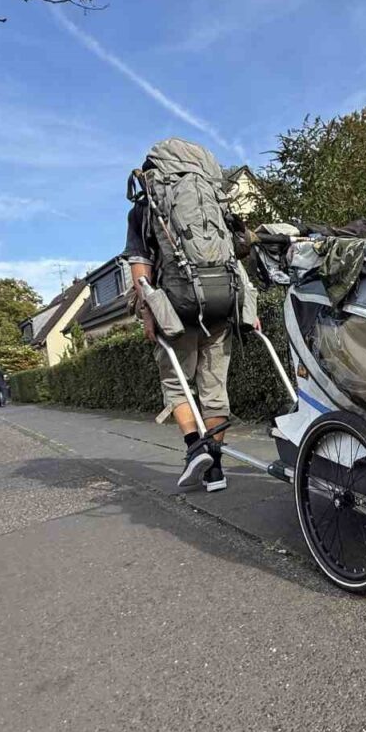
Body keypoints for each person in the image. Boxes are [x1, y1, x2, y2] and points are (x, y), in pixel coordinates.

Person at [124, 170, 253, 493]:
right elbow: (238, 251)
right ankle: (216, 469)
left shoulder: (148, 205)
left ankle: (195, 448)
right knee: (214, 389)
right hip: (221, 304)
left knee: (176, 383)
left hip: (177, 309)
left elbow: (141, 267)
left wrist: (148, 313)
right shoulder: (211, 198)